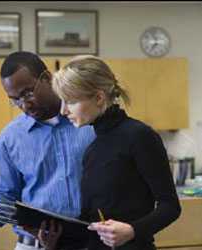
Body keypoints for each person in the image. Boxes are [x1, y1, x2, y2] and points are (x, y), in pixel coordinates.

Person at [43, 55, 182, 250]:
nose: (63, 111)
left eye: (70, 102)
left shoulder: (140, 136)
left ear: (99, 98)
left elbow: (170, 207)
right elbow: (89, 222)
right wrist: (55, 240)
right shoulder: (92, 149)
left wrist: (132, 230)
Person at [0, 51, 95, 250]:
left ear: (47, 78)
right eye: (15, 100)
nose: (24, 104)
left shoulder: (89, 124)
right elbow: (3, 194)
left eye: (28, 93)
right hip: (33, 245)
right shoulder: (10, 138)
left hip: (89, 243)